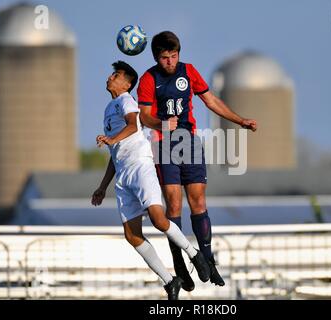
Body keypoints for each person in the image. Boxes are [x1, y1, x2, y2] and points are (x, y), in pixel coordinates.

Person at [137, 31, 257, 292]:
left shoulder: (188, 71)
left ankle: (208, 259)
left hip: (188, 141)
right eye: (164, 58)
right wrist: (161, 123)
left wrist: (240, 120)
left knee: (199, 201)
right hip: (162, 143)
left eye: (173, 56)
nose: (169, 62)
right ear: (156, 57)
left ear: (178, 54)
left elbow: (210, 99)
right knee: (174, 203)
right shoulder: (148, 78)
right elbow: (144, 116)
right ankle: (179, 261)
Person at [91, 60, 210, 300]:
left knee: (158, 219)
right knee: (132, 235)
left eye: (115, 74)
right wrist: (102, 187)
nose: (110, 77)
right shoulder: (108, 108)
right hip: (123, 175)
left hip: (140, 168)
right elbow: (115, 155)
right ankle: (170, 281)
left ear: (127, 83)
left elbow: (134, 125)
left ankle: (193, 253)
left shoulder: (126, 100)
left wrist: (112, 140)